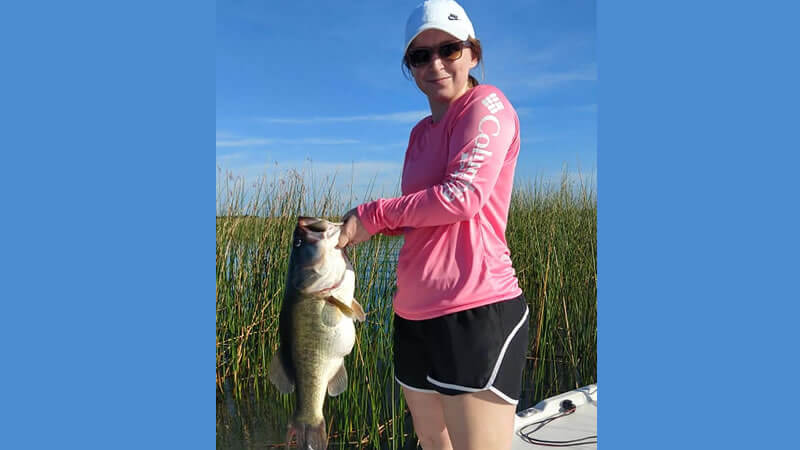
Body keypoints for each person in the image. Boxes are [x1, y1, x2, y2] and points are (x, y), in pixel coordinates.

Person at [337, 1, 528, 448]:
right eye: (420, 56)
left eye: (449, 49)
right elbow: (420, 215)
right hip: (412, 314)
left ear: (473, 54)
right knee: (430, 440)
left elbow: (463, 197)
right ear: (410, 66)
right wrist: (358, 231)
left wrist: (374, 214)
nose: (435, 63)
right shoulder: (419, 133)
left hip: (474, 311)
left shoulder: (487, 105)